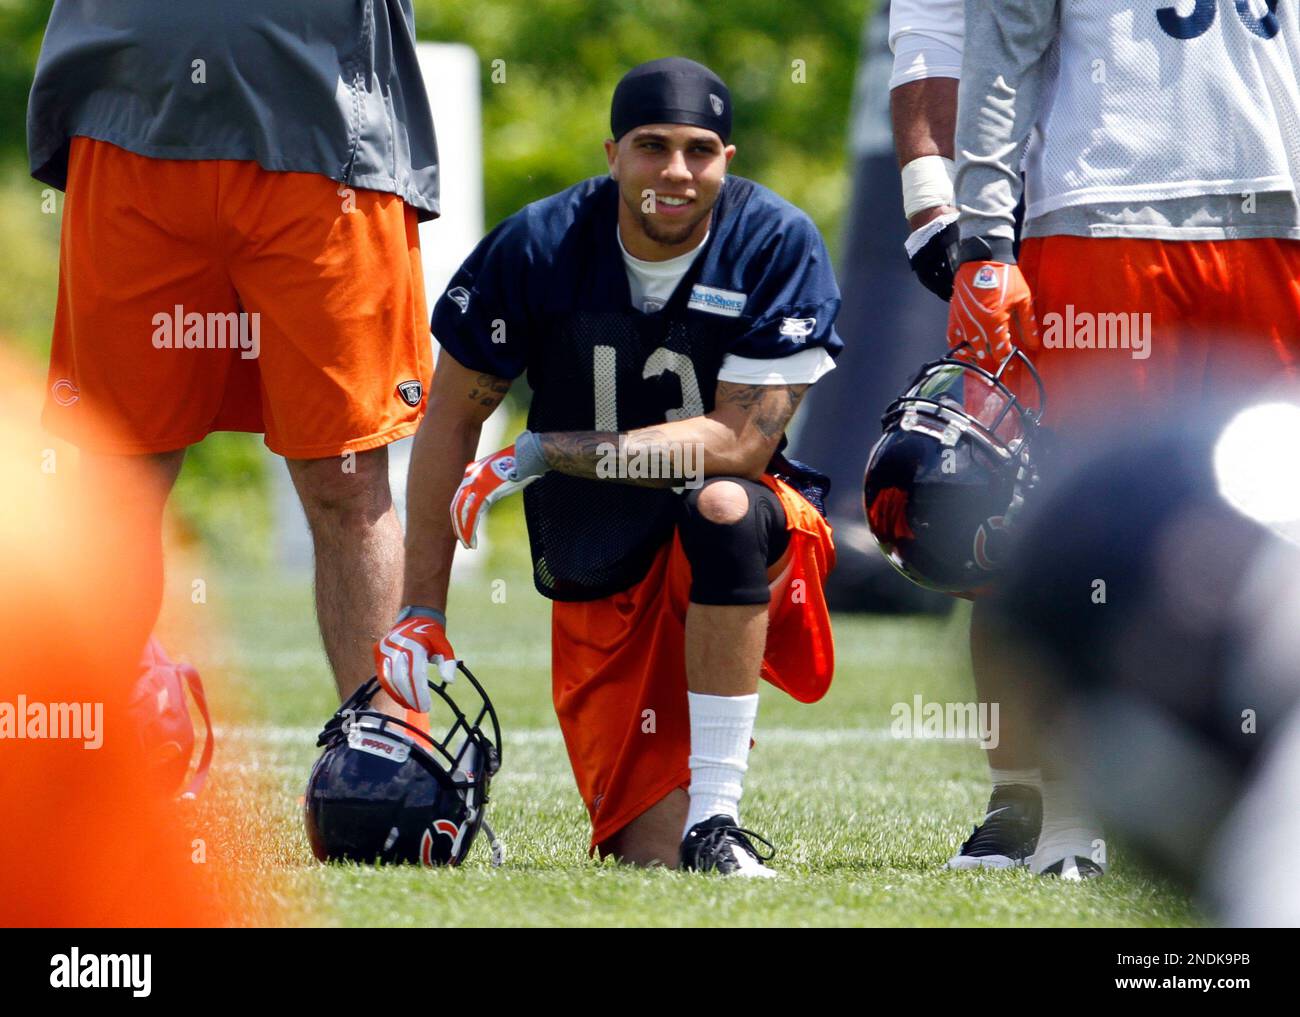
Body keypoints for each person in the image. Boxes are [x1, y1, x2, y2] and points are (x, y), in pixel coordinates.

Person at [375, 57, 842, 875]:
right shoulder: (540, 244)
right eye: (651, 145)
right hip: (601, 551)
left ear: (727, 160)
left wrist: (539, 452)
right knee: (645, 856)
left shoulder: (773, 242)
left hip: (740, 540)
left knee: (723, 504)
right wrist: (420, 605)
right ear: (612, 152)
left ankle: (718, 818)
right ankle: (682, 833)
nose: (675, 171)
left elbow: (739, 444)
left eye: (699, 149)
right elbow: (450, 416)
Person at [891, 0, 1300, 877]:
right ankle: (1067, 819)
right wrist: (985, 232)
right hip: (1103, 208)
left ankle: (1269, 800)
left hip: (1277, 213)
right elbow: (1004, 48)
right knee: (1076, 521)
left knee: (1283, 520)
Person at [28, 1, 438, 712]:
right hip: (127, 121)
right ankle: (86, 767)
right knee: (114, 479)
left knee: (345, 476)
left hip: (324, 138)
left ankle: (387, 756)